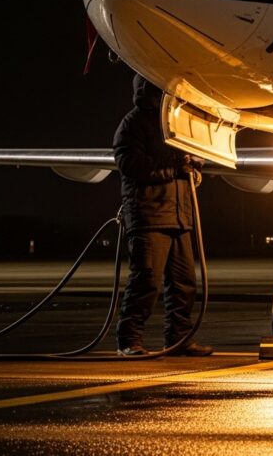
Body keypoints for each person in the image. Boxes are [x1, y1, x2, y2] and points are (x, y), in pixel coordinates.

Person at [113, 74, 212, 357]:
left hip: (180, 217)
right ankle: (129, 340)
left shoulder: (177, 123)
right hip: (149, 216)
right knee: (146, 280)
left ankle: (178, 340)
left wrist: (195, 169)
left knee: (184, 283)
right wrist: (172, 167)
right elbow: (129, 163)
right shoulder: (133, 124)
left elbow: (190, 159)